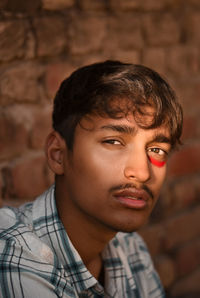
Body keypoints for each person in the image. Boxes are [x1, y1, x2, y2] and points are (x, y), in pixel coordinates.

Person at [0, 61, 183, 297]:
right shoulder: (13, 260)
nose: (142, 172)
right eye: (113, 142)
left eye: (157, 150)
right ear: (58, 155)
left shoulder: (130, 247)